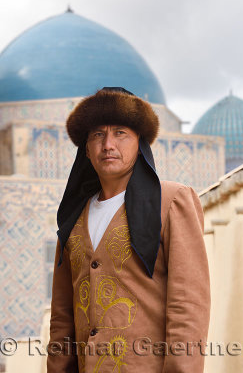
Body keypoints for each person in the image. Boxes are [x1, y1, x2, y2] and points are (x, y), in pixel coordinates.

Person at [47, 87, 210, 373]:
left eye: (120, 133)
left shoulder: (171, 201)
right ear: (86, 148)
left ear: (140, 142)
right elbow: (62, 318)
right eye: (98, 134)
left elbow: (188, 305)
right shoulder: (73, 218)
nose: (108, 144)